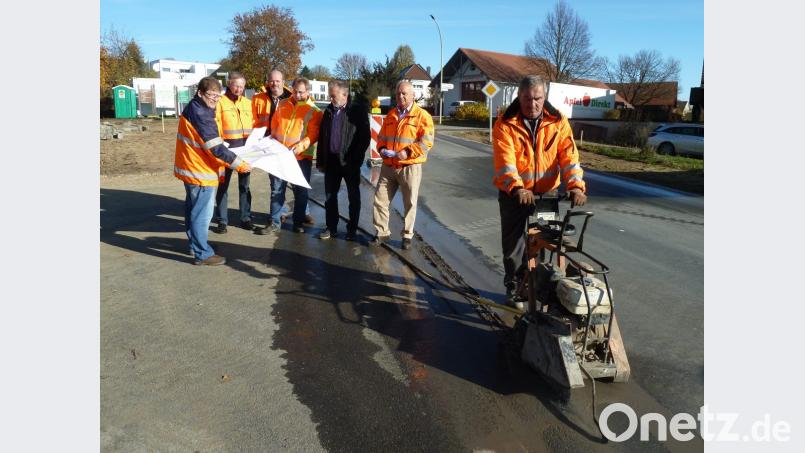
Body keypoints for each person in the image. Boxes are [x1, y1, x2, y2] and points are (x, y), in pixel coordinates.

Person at [492, 75, 587, 309]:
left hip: (547, 195)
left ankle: (536, 284)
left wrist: (575, 186)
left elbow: (569, 158)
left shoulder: (558, 122)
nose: (532, 104)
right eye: (527, 99)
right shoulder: (505, 123)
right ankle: (515, 286)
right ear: (519, 96)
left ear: (544, 97)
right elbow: (506, 163)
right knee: (514, 246)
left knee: (543, 241)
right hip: (514, 195)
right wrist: (517, 188)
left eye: (537, 99)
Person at [174, 76, 250, 265]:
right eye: (211, 96)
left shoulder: (197, 107)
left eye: (218, 97)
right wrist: (240, 164)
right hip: (200, 171)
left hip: (192, 168)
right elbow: (215, 147)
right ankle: (203, 254)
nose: (215, 101)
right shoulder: (200, 113)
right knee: (202, 214)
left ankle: (195, 245)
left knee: (193, 211)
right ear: (200, 93)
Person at [370, 81, 434, 250]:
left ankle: (407, 235)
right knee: (380, 200)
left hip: (409, 167)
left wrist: (408, 152)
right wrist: (382, 148)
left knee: (410, 203)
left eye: (404, 93)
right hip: (388, 166)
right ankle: (382, 232)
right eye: (398, 93)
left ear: (413, 95)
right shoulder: (391, 115)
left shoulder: (422, 116)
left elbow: (426, 142)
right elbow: (382, 137)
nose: (401, 96)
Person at [255, 77, 322, 235]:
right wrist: (272, 140)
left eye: (301, 92)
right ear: (291, 89)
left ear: (308, 92)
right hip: (279, 155)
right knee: (277, 190)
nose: (297, 95)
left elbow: (313, 135)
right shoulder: (283, 104)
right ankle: (275, 222)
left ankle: (298, 223)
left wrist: (300, 147)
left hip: (300, 158)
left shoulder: (314, 111)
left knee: (301, 192)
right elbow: (275, 124)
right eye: (295, 91)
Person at [315, 79, 370, 240]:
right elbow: (323, 137)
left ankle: (351, 229)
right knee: (330, 197)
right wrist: (321, 161)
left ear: (345, 94)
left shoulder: (357, 111)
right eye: (330, 96)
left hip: (350, 163)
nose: (330, 99)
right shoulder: (329, 111)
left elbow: (364, 138)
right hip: (331, 161)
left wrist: (356, 160)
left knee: (353, 197)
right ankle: (331, 228)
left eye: (333, 96)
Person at [212, 72, 253, 234]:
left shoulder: (247, 103)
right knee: (223, 186)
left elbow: (253, 124)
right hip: (226, 151)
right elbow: (215, 124)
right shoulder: (220, 102)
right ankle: (222, 221)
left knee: (245, 186)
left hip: (245, 151)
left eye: (242, 86)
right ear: (229, 84)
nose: (239, 89)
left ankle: (246, 218)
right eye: (236, 85)